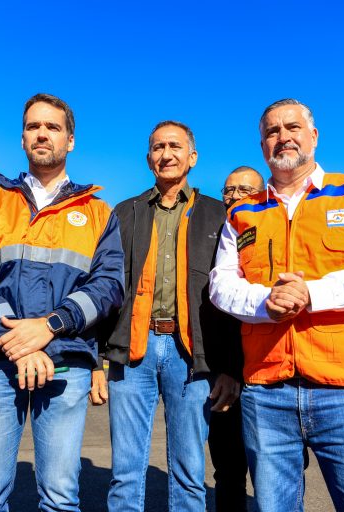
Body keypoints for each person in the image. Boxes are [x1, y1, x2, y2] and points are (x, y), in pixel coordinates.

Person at [209, 99, 344, 512]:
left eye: (292, 127)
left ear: (313, 135)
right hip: (267, 392)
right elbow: (221, 284)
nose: (283, 137)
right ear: (262, 145)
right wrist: (265, 302)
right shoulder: (242, 214)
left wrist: (313, 294)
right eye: (272, 131)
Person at [0, 93, 124, 512]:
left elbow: (109, 284)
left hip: (66, 358)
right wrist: (17, 343)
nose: (42, 134)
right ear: (23, 138)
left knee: (60, 497)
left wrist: (49, 326)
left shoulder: (99, 213)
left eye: (52, 127)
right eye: (33, 126)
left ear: (70, 140)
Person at [103, 120, 242, 512]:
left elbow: (233, 296)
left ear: (192, 157)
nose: (166, 154)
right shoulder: (124, 212)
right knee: (125, 472)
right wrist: (99, 358)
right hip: (133, 350)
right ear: (149, 158)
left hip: (192, 354)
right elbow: (108, 287)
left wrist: (230, 368)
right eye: (158, 147)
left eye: (175, 146)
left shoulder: (218, 214)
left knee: (189, 471)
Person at [207, 165, 264, 512]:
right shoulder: (215, 235)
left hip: (268, 373)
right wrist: (227, 370)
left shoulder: (271, 232)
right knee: (228, 469)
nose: (234, 196)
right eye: (229, 190)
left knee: (277, 470)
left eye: (244, 190)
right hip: (224, 373)